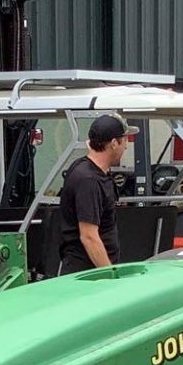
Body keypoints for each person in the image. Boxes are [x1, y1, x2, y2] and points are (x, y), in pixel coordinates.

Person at [56, 113, 130, 273]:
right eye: (125, 140)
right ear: (114, 143)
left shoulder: (85, 168)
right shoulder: (89, 180)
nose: (127, 146)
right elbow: (88, 236)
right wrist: (111, 274)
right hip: (89, 274)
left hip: (91, 271)